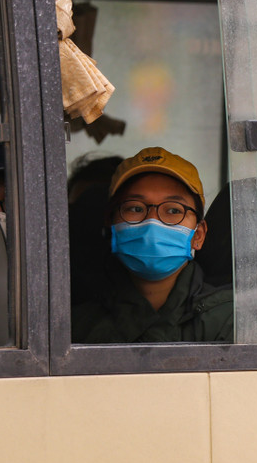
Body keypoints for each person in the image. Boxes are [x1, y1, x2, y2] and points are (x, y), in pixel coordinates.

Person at [71, 147, 233, 343]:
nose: (152, 222)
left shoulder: (231, 321)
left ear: (198, 235)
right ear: (111, 225)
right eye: (135, 208)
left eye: (173, 210)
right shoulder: (76, 328)